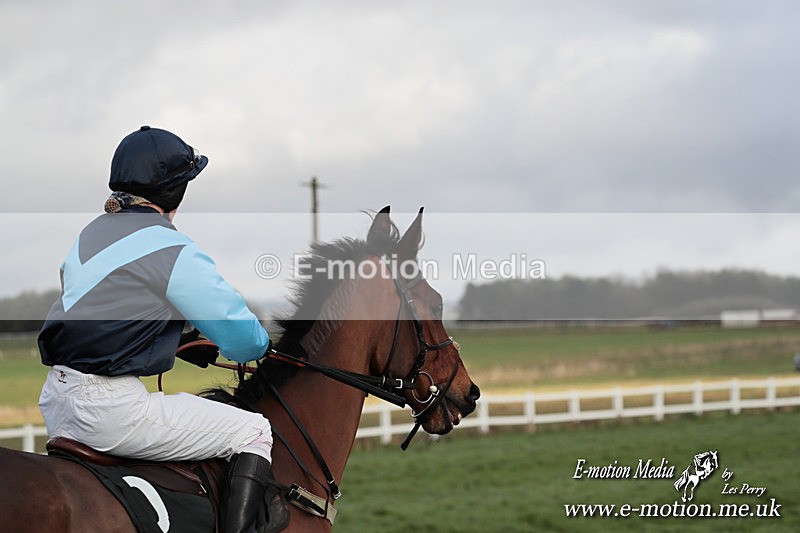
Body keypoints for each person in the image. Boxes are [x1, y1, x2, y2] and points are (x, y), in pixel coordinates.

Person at [38, 126, 275, 533]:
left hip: (58, 401)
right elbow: (244, 340)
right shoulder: (171, 248)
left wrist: (177, 339)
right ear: (175, 191)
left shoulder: (90, 235)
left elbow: (106, 318)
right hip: (110, 411)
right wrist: (258, 344)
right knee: (253, 429)